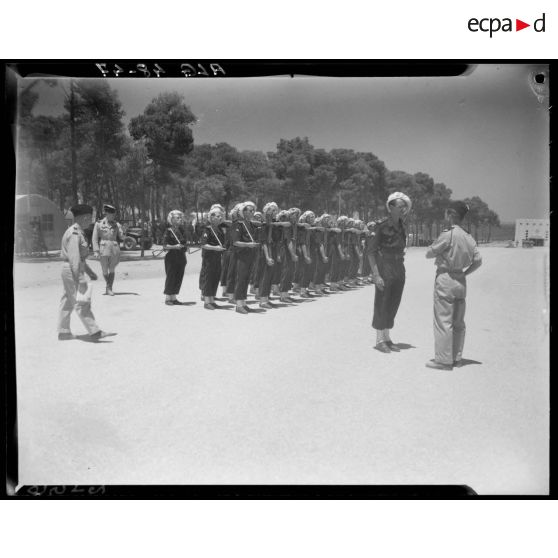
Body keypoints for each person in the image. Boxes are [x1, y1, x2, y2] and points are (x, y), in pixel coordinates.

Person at [425, 201, 482, 370]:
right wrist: (464, 273)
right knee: (458, 322)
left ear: (451, 214)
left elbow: (429, 253)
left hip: (446, 278)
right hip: (460, 280)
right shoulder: (468, 236)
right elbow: (478, 261)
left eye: (446, 213)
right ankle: (457, 358)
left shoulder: (448, 234)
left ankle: (443, 360)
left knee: (443, 321)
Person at [57, 204, 115, 341]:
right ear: (84, 217)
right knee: (82, 301)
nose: (92, 220)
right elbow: (74, 258)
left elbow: (79, 257)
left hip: (71, 268)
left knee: (67, 301)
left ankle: (63, 332)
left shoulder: (78, 231)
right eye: (90, 217)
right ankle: (94, 331)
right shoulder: (74, 233)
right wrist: (80, 278)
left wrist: (89, 272)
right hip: (72, 270)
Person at [366, 192, 412, 353]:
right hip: (385, 266)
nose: (403, 209)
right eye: (400, 206)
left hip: (399, 266)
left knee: (394, 302)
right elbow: (371, 252)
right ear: (391, 207)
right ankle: (379, 339)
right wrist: (376, 275)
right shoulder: (381, 226)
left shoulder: (402, 225)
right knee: (382, 302)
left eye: (404, 207)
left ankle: (387, 337)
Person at [232, 201, 261, 314]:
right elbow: (235, 242)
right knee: (241, 279)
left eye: (253, 210)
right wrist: (248, 245)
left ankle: (243, 302)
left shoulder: (250, 223)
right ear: (242, 211)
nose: (252, 212)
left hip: (250, 254)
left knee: (246, 279)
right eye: (249, 210)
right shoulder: (237, 224)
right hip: (241, 255)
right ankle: (239, 305)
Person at [92, 203, 123, 296]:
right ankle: (108, 287)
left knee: (112, 269)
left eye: (114, 214)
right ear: (107, 214)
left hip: (114, 249)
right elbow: (94, 238)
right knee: (105, 270)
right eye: (112, 214)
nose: (113, 216)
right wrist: (96, 251)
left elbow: (121, 237)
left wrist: (123, 231)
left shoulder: (117, 224)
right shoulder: (98, 224)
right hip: (103, 249)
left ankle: (109, 289)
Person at [199, 207, 227, 309]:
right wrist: (216, 248)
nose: (220, 218)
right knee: (208, 278)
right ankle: (207, 301)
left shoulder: (220, 230)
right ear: (211, 217)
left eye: (221, 216)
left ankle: (212, 299)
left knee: (215, 278)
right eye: (217, 216)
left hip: (217, 257)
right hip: (209, 258)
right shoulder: (207, 229)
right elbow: (203, 244)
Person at [162, 210, 188, 305]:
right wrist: (175, 247)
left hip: (181, 257)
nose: (180, 219)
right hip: (172, 257)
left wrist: (185, 247)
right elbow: (164, 246)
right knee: (171, 276)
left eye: (180, 217)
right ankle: (168, 298)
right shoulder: (168, 231)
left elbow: (184, 242)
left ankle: (174, 297)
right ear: (171, 220)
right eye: (177, 218)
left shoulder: (182, 230)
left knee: (178, 277)